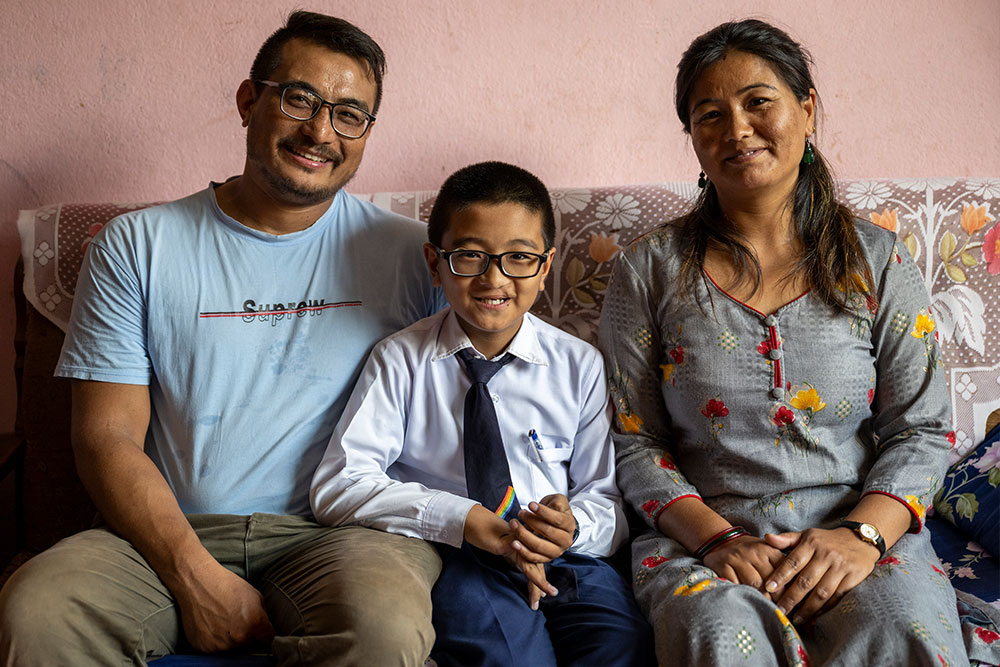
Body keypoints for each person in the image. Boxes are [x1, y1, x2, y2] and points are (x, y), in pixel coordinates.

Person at [0, 11, 446, 666]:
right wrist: (192, 574)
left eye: (349, 114)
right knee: (40, 608)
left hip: (345, 535)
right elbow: (106, 435)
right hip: (163, 532)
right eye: (300, 98)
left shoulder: (415, 256)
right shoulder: (140, 244)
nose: (320, 131)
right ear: (248, 101)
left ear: (367, 132)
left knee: (381, 623)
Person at [598, 19, 999, 666]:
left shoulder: (877, 261)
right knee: (720, 633)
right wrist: (719, 543)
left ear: (807, 109)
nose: (737, 129)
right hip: (704, 540)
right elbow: (634, 439)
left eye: (759, 101)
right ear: (693, 139)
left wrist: (862, 536)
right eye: (710, 114)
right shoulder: (649, 269)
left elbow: (921, 430)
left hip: (858, 529)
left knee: (901, 630)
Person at [310, 161, 655, 667]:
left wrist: (569, 529)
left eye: (519, 257)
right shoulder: (400, 360)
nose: (494, 278)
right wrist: (463, 519)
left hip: (564, 558)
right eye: (469, 256)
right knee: (507, 656)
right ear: (435, 262)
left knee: (619, 645)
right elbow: (339, 483)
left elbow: (604, 498)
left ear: (546, 265)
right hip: (460, 555)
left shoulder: (580, 364)